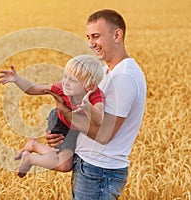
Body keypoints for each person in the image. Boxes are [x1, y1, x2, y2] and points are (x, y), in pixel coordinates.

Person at [46, 9, 147, 199]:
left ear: (117, 35)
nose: (90, 44)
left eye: (96, 36)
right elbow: (87, 116)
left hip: (100, 172)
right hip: (90, 168)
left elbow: (104, 135)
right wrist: (61, 132)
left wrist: (64, 111)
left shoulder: (124, 77)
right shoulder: (104, 72)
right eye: (88, 37)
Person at [0, 55, 105, 178]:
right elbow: (33, 89)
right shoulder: (60, 88)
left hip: (76, 126)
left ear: (90, 86)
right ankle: (30, 158)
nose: (66, 82)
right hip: (61, 122)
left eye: (73, 80)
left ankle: (34, 146)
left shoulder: (96, 95)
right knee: (64, 164)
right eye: (65, 77)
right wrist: (17, 79)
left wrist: (89, 108)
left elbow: (99, 119)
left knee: (63, 161)